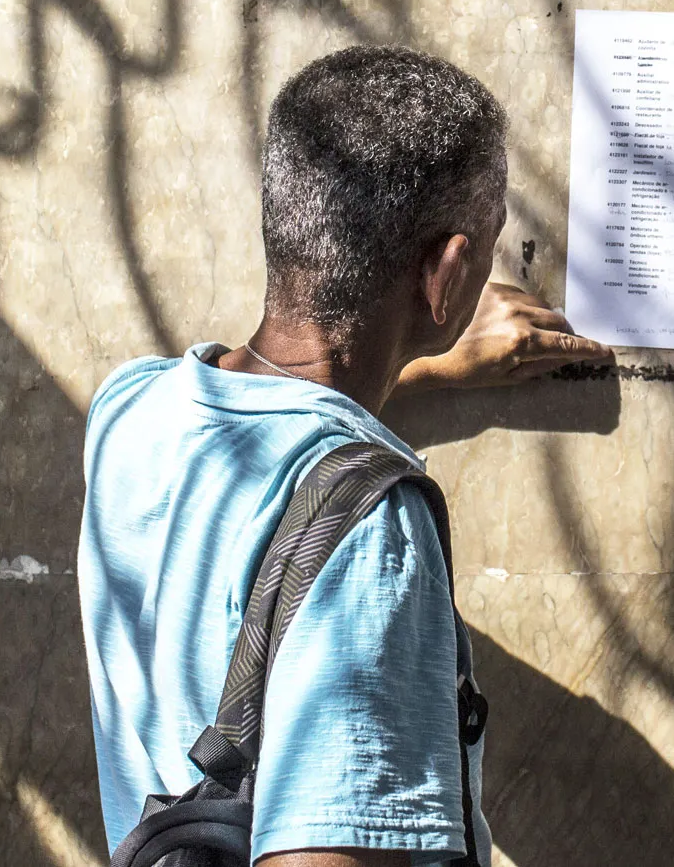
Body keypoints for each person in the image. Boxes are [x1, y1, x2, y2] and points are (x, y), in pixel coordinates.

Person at [78, 46, 612, 866]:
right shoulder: (374, 530)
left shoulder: (128, 411)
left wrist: (420, 361)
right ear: (448, 275)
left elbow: (266, 414)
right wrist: (418, 349)